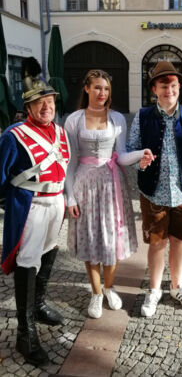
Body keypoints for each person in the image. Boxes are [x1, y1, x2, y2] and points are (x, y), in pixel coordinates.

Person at [64, 69, 152, 319]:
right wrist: (69, 196)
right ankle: (95, 293)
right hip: (84, 183)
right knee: (91, 237)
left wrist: (141, 153)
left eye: (106, 89)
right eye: (97, 88)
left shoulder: (117, 118)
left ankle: (110, 287)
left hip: (112, 184)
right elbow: (70, 161)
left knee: (112, 239)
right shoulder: (74, 119)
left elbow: (122, 155)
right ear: (87, 88)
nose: (102, 93)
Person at [0, 57, 70, 366]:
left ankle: (38, 305)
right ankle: (25, 335)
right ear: (28, 108)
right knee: (27, 262)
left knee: (49, 251)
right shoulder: (13, 136)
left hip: (56, 204)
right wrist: (12, 204)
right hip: (29, 208)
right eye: (39, 102)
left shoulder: (61, 132)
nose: (46, 106)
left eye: (50, 100)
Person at [127, 61, 182, 317]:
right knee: (156, 243)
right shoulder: (142, 117)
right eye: (163, 86)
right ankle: (154, 290)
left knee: (179, 242)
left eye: (173, 85)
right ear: (154, 89)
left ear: (179, 86)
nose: (169, 90)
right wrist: (139, 161)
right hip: (153, 192)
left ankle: (176, 286)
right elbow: (131, 150)